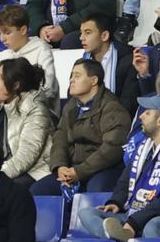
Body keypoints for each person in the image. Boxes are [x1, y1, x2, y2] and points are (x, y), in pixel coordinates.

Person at [80, 93, 160, 241]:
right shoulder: (142, 149)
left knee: (153, 227)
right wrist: (115, 202)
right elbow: (124, 182)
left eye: (148, 113)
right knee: (86, 213)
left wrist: (136, 221)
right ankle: (119, 237)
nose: (141, 116)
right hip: (133, 213)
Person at [31, 58, 132, 197]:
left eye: (77, 76)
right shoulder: (71, 106)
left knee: (95, 190)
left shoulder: (112, 108)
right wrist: (60, 166)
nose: (71, 80)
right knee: (38, 191)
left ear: (94, 80)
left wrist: (79, 172)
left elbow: (112, 148)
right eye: (71, 75)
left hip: (102, 169)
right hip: (71, 170)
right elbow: (60, 138)